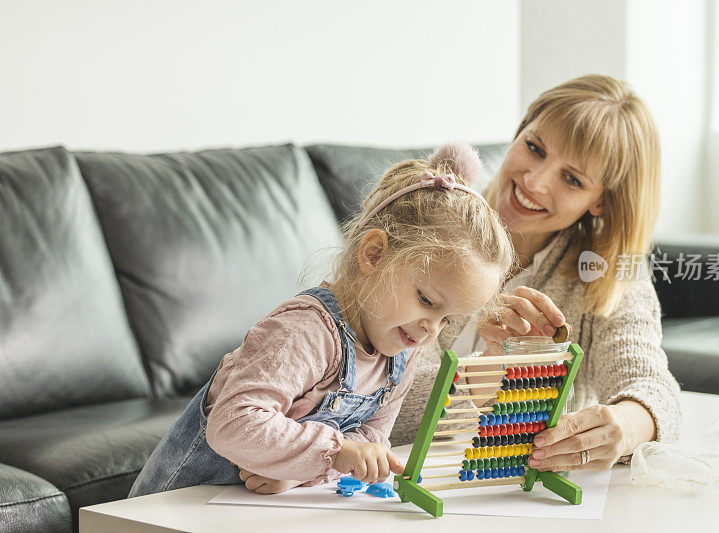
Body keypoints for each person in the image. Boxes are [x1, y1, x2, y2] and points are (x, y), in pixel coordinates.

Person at [128, 143, 514, 497]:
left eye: (448, 320)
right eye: (427, 300)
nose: (432, 328)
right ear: (375, 254)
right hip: (174, 508)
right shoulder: (305, 332)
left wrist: (302, 471)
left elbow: (368, 445)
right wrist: (334, 453)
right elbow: (234, 423)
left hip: (245, 512)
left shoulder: (400, 354)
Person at [391, 74, 681, 473]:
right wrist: (483, 375)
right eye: (534, 148)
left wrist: (626, 426)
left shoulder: (603, 273)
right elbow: (379, 395)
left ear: (600, 203)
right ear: (518, 132)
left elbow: (654, 390)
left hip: (518, 496)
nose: (535, 181)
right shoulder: (427, 218)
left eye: (572, 179)